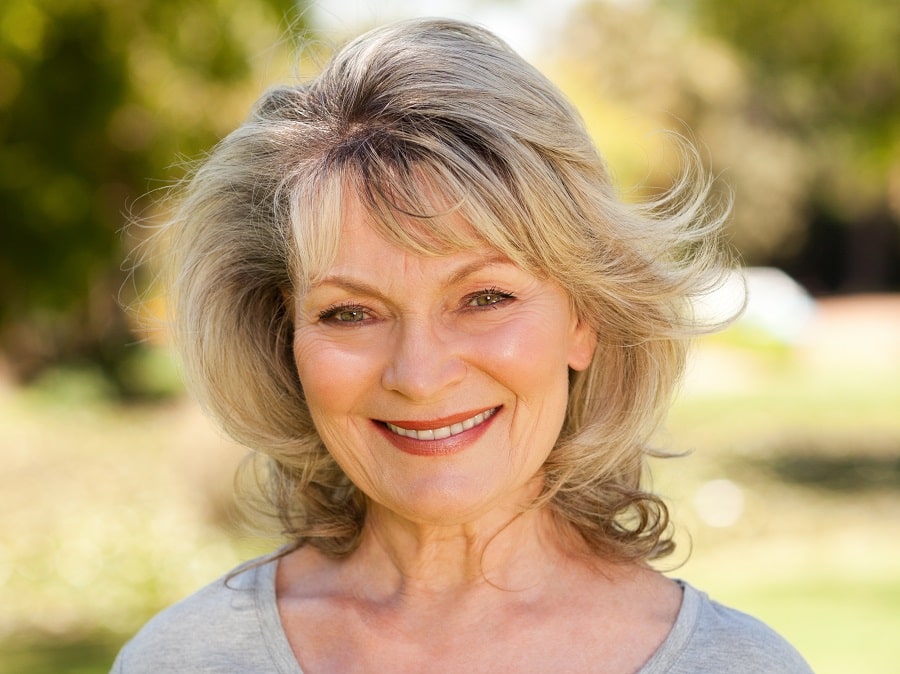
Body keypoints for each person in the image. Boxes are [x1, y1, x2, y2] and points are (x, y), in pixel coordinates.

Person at [112, 17, 813, 674]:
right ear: (281, 336)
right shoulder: (184, 659)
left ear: (585, 318)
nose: (420, 375)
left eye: (484, 298)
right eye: (351, 312)